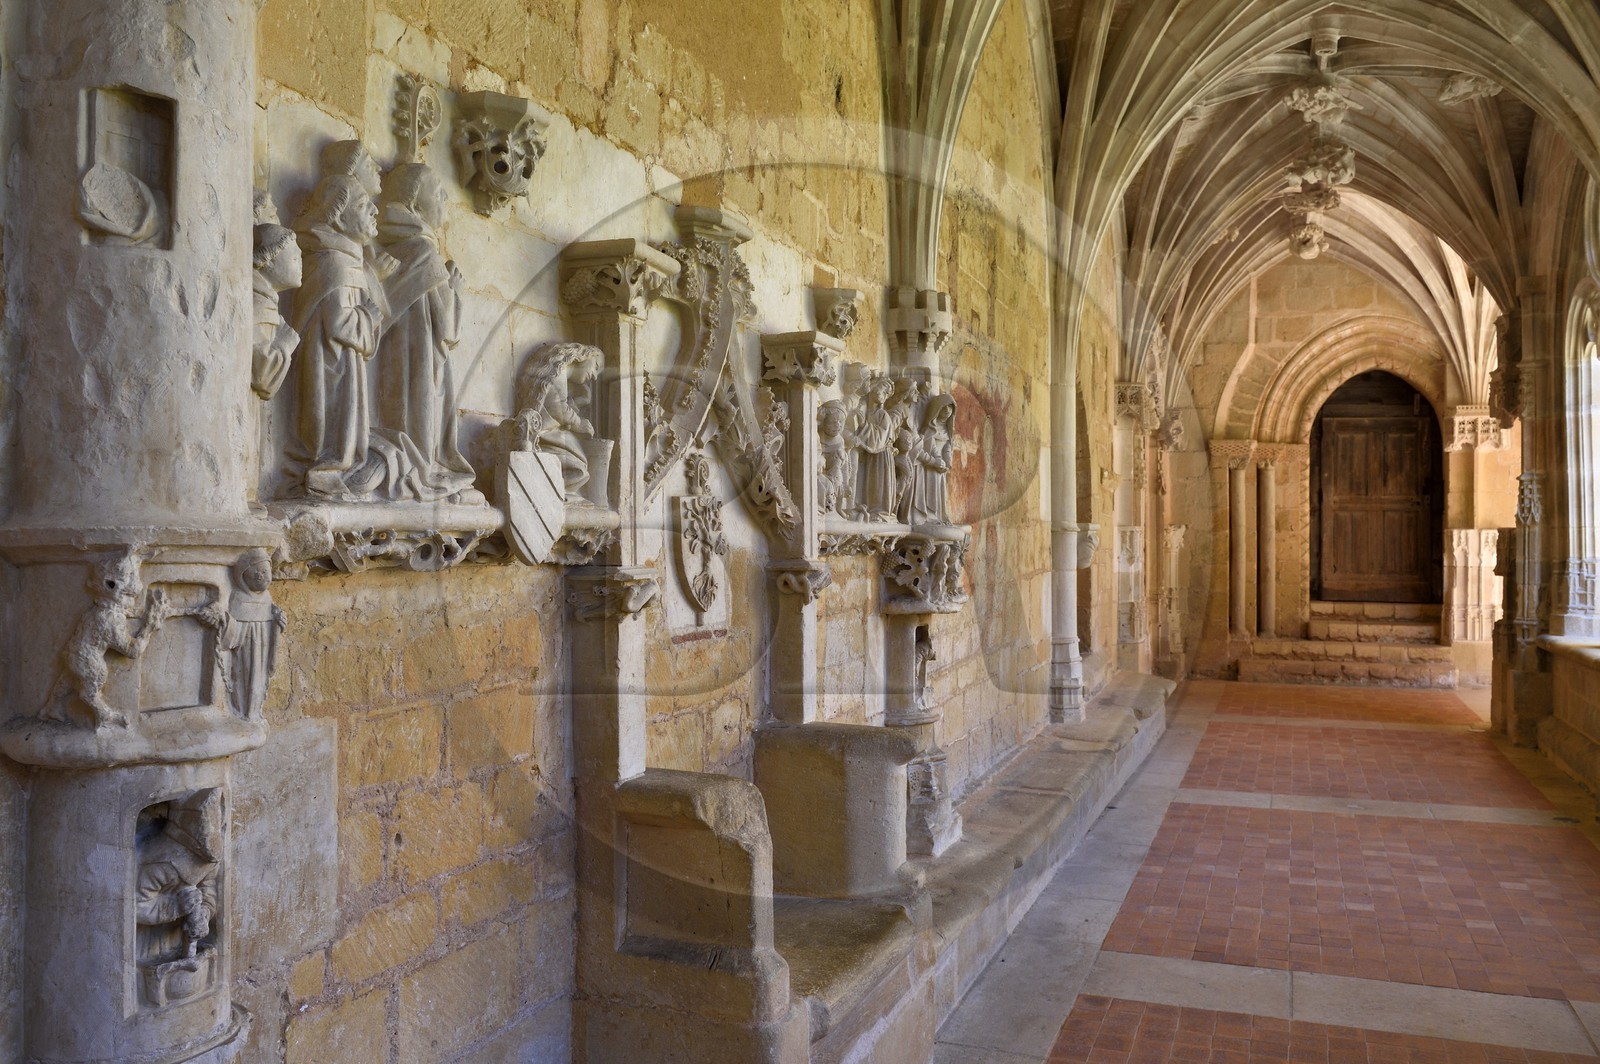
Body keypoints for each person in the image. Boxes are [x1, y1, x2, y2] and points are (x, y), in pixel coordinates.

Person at [371, 163, 481, 503]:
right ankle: (423, 472)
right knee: (421, 423)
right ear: (415, 206)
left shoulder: (393, 250)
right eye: (438, 193)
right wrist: (457, 290)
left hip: (394, 364)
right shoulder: (425, 254)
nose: (446, 198)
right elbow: (448, 328)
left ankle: (413, 468)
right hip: (422, 363)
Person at [291, 174, 386, 498]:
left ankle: (340, 469)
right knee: (337, 416)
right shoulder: (334, 262)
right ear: (339, 215)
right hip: (331, 361)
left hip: (344, 357)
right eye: (363, 205)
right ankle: (325, 473)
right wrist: (368, 318)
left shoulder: (347, 260)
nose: (374, 210)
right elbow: (339, 323)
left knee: (350, 417)